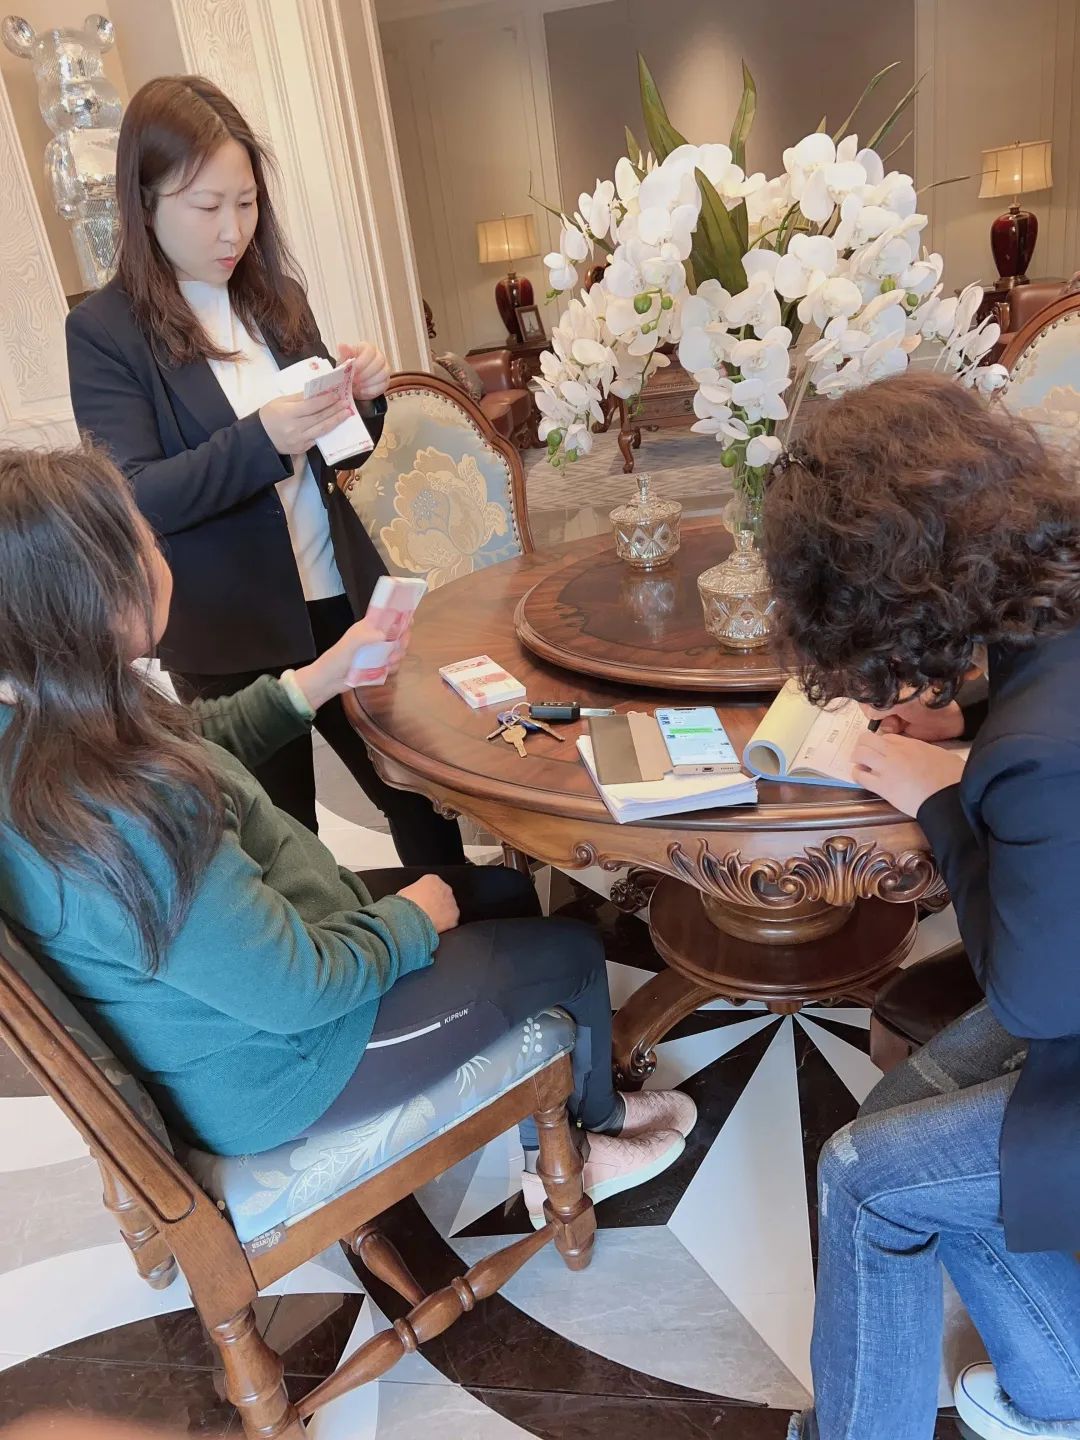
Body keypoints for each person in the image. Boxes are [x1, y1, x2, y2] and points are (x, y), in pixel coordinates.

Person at [0, 444, 696, 1220]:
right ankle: (588, 1138)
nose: (159, 550)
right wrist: (408, 922)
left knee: (501, 892)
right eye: (143, 536)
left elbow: (200, 740)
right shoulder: (128, 813)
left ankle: (562, 1097)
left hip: (259, 990)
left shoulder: (50, 727)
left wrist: (323, 676)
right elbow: (295, 991)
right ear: (97, 595)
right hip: (287, 1066)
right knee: (571, 954)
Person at [760, 372, 1080, 1440]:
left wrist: (946, 800)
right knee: (899, 1121)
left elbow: (1031, 997)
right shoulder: (1058, 595)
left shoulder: (1037, 752)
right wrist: (970, 724)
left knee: (862, 1175)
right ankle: (1062, 1389)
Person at [65, 74, 462, 863]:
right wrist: (264, 438)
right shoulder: (105, 331)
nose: (232, 229)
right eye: (207, 206)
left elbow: (343, 453)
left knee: (423, 796)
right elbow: (135, 496)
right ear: (145, 202)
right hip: (229, 632)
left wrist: (362, 401)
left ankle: (470, 929)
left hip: (339, 593)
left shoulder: (275, 298)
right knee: (285, 846)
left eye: (246, 203)